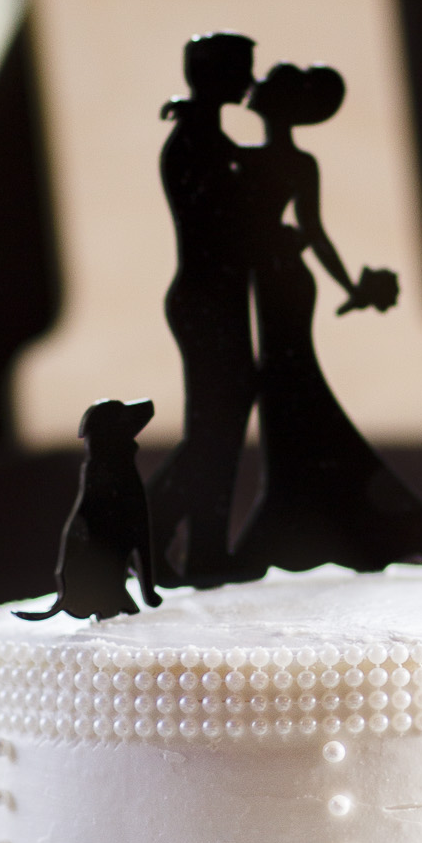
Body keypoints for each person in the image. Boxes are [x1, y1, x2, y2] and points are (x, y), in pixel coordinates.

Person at [231, 61, 422, 578]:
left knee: (289, 387)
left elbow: (315, 231)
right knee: (286, 389)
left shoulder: (272, 162)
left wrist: (349, 286)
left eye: (269, 85)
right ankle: (306, 515)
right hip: (272, 278)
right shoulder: (247, 157)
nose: (255, 87)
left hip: (284, 282)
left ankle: (299, 519)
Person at [149, 32, 258, 585]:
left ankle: (205, 549)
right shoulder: (197, 142)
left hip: (217, 298)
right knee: (214, 429)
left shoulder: (205, 136)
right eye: (244, 69)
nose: (250, 81)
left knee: (221, 426)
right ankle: (154, 528)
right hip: (208, 300)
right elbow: (223, 225)